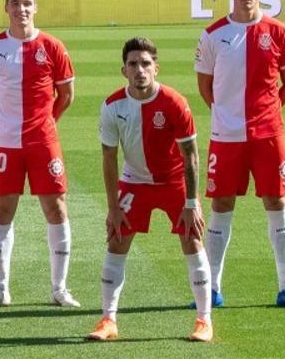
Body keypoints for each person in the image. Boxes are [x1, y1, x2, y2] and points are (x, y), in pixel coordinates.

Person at [194, 0, 285, 310]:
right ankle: (212, 288)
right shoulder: (213, 35)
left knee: (276, 201)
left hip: (268, 135)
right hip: (226, 135)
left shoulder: (279, 32)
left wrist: (264, 114)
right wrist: (229, 115)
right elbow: (205, 87)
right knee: (221, 204)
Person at [88, 37, 213, 343]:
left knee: (192, 240)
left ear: (156, 68)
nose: (140, 70)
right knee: (116, 241)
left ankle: (204, 321)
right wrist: (113, 206)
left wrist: (190, 202)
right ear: (123, 70)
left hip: (174, 183)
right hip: (134, 181)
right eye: (133, 64)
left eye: (145, 64)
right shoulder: (112, 105)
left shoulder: (174, 103)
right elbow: (108, 157)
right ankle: (108, 319)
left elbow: (191, 156)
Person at [0, 0, 80, 308]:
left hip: (43, 143)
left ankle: (59, 288)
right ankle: (0, 287)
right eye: (16, 3)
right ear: (6, 8)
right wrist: (3, 123)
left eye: (27, 3)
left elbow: (66, 95)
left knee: (56, 208)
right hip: (6, 144)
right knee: (3, 211)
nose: (21, 9)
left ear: (35, 8)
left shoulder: (53, 47)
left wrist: (45, 124)